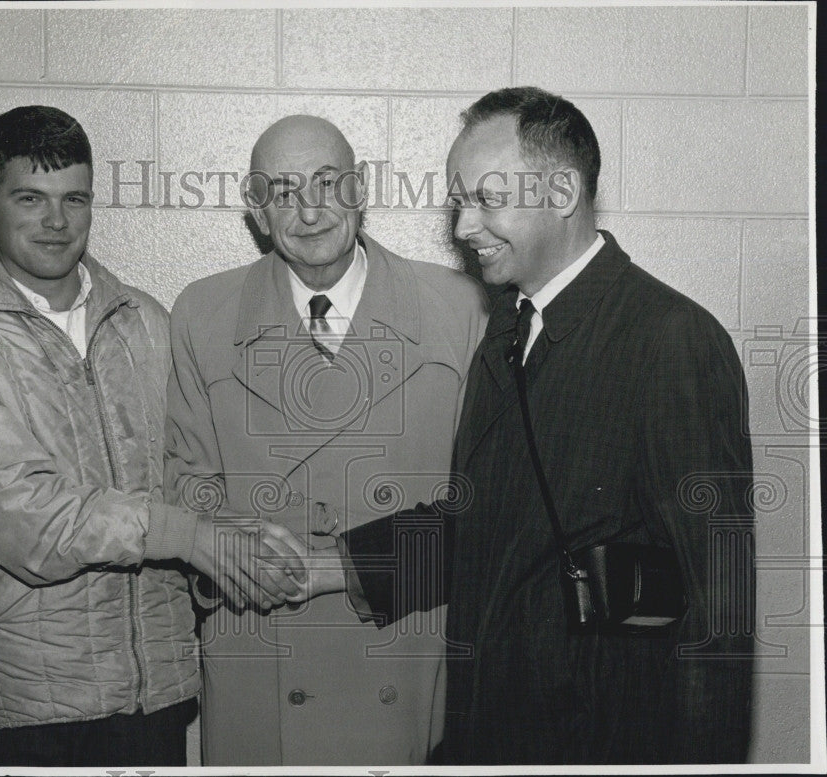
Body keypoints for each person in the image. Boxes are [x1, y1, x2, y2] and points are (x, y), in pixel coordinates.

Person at [297, 87, 755, 764]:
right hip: (491, 735)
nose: (462, 227)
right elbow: (481, 527)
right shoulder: (508, 332)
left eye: (486, 198)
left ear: (563, 191)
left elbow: (718, 623)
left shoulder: (671, 340)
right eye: (460, 202)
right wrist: (330, 566)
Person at [0, 105, 305, 766]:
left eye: (74, 199)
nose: (57, 221)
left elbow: (186, 481)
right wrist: (195, 538)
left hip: (155, 699)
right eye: (31, 198)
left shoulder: (149, 322)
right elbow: (30, 521)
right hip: (20, 711)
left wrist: (239, 547)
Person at [164, 114, 489, 765]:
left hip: (406, 642)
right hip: (262, 651)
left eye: (327, 183)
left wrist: (344, 567)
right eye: (283, 192)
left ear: (361, 188)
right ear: (257, 210)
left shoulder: (461, 309)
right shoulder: (202, 313)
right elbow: (186, 483)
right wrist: (229, 554)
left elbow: (486, 514)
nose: (309, 211)